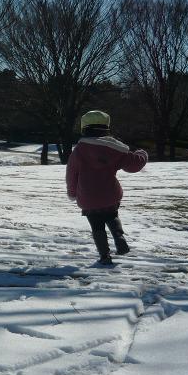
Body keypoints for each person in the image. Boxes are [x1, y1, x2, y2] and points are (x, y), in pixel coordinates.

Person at [66, 110, 149, 265]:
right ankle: (120, 240)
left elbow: (71, 174)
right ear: (106, 128)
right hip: (110, 195)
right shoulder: (114, 149)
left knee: (97, 227)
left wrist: (72, 193)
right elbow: (134, 165)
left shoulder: (79, 150)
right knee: (112, 216)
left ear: (84, 128)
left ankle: (105, 256)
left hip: (88, 198)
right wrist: (142, 154)